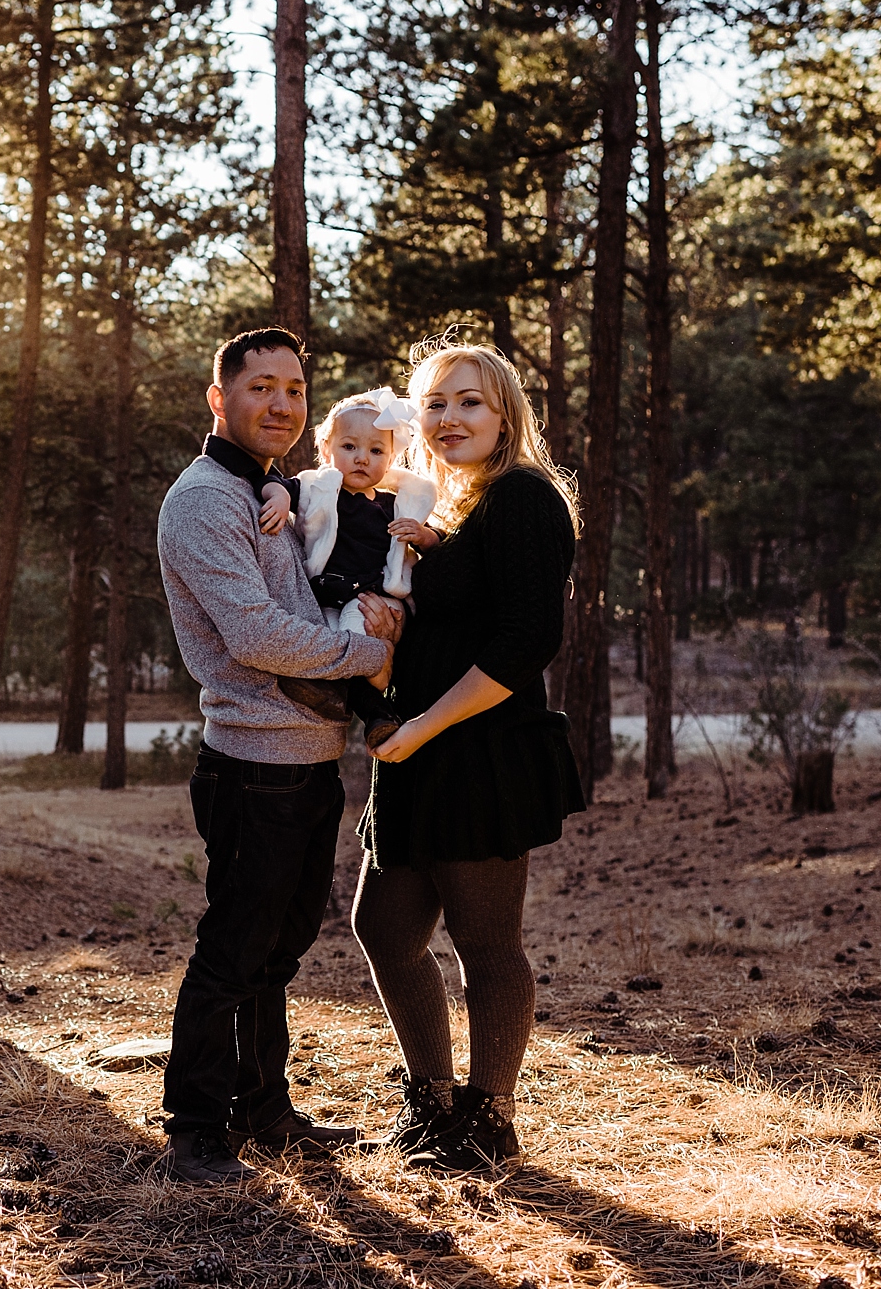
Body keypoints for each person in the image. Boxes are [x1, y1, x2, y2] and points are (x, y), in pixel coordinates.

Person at [153, 327, 403, 1185]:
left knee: (280, 946)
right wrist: (373, 658)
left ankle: (263, 1109)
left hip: (308, 758)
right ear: (220, 399)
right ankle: (195, 1131)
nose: (282, 403)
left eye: (295, 389)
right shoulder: (202, 502)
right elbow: (256, 633)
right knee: (233, 948)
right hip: (253, 762)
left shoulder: (268, 488)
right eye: (262, 386)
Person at [351, 339, 584, 1172]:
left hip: (479, 750)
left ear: (506, 413)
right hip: (416, 751)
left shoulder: (523, 497)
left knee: (487, 943)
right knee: (383, 926)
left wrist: (423, 727)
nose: (450, 418)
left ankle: (490, 1119)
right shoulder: (445, 508)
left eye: (470, 402)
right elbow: (448, 620)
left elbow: (527, 642)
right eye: (437, 404)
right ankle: (431, 1103)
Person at [259, 394, 437, 750]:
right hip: (325, 592)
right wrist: (278, 499)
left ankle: (377, 697)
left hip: (368, 596)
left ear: (390, 459)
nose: (361, 458)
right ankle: (371, 711)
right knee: (319, 642)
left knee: (355, 636)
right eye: (349, 446)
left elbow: (435, 544)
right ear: (327, 450)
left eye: (375, 451)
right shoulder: (318, 489)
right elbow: (276, 483)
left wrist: (423, 535)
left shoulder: (392, 505)